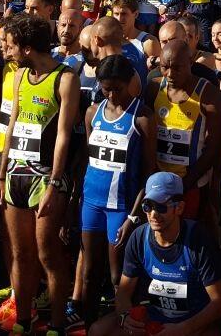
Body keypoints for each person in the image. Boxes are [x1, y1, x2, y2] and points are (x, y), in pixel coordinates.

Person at [0, 12, 81, 335]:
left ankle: (57, 323)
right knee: (20, 253)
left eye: (9, 43)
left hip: (45, 177)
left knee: (48, 254)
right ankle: (23, 319)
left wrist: (55, 183)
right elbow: (12, 125)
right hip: (15, 172)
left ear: (27, 47)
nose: (4, 48)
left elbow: (63, 136)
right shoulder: (17, 76)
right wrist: (0, 177)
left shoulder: (65, 78)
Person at [90, 172, 221, 336]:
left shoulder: (199, 240)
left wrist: (182, 329)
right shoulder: (139, 238)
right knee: (98, 331)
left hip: (191, 323)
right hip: (153, 320)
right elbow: (123, 293)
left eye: (161, 207)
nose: (153, 214)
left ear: (179, 208)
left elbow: (219, 304)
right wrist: (126, 317)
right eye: (148, 206)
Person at [80, 54, 156, 325]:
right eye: (106, 88)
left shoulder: (143, 116)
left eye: (118, 89)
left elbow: (149, 172)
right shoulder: (93, 112)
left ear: (130, 83)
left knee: (118, 278)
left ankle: (125, 327)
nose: (112, 94)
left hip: (121, 207)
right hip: (91, 203)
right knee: (89, 273)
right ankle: (89, 326)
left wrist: (133, 217)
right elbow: (90, 160)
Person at [152, 40, 221, 219]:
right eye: (164, 67)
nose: (170, 74)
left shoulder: (209, 94)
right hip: (158, 182)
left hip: (191, 185)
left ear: (191, 63)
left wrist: (185, 183)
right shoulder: (153, 88)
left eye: (177, 68)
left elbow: (213, 147)